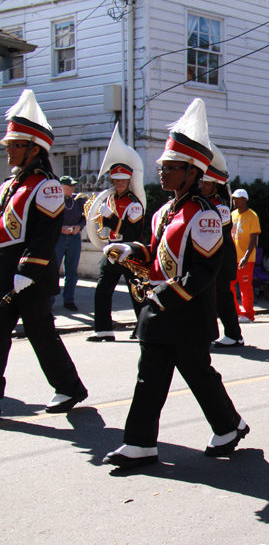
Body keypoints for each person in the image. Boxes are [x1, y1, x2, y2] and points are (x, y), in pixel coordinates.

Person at [102, 98, 249, 470]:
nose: (162, 173)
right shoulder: (164, 211)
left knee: (198, 374)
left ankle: (229, 425)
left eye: (170, 167)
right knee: (149, 376)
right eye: (161, 167)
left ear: (192, 172)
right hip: (161, 309)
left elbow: (205, 270)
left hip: (186, 312)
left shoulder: (204, 214)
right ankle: (139, 444)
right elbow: (154, 253)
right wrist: (129, 248)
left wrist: (163, 296)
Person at [0, 89, 88, 414]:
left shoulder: (46, 184)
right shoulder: (11, 184)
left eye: (14, 145)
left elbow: (45, 233)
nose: (8, 149)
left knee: (41, 335)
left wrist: (27, 270)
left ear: (34, 149)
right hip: (6, 272)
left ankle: (69, 387)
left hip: (29, 275)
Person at [87, 129, 145, 342]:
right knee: (102, 290)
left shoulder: (134, 204)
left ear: (129, 180)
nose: (118, 183)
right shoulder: (110, 199)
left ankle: (142, 328)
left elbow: (130, 232)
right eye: (116, 180)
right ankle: (103, 330)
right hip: (111, 249)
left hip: (129, 252)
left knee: (137, 292)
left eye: (122, 180)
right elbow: (106, 226)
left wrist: (109, 217)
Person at [199, 143, 244, 347]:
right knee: (210, 297)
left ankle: (234, 335)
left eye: (207, 184)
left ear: (216, 185)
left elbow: (218, 230)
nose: (203, 186)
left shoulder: (220, 206)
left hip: (221, 259)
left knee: (222, 297)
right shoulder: (206, 202)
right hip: (211, 258)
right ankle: (216, 333)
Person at [54, 175, 87, 311]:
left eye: (73, 185)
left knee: (72, 270)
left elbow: (85, 217)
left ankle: (69, 300)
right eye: (69, 185)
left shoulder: (78, 200)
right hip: (59, 237)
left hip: (74, 237)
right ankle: (49, 300)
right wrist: (60, 228)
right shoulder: (55, 200)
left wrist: (79, 227)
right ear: (61, 186)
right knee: (53, 270)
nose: (72, 187)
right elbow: (50, 219)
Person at [230, 188, 260, 323]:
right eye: (234, 198)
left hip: (246, 259)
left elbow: (253, 239)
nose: (234, 201)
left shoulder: (252, 216)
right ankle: (235, 312)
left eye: (237, 198)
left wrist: (246, 257)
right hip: (232, 259)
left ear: (244, 200)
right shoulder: (232, 215)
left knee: (245, 287)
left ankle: (248, 314)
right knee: (229, 286)